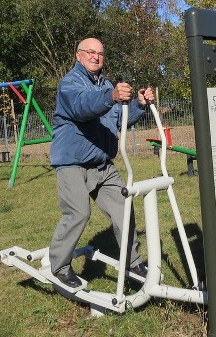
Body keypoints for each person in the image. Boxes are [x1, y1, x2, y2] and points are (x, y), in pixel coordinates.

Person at [48, 37, 155, 289]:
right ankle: (60, 266)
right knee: (78, 213)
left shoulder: (106, 85)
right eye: (90, 52)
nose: (96, 57)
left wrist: (139, 105)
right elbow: (82, 107)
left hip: (102, 164)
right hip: (74, 163)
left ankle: (133, 262)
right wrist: (111, 96)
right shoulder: (70, 84)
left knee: (124, 211)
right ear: (78, 55)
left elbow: (119, 120)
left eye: (100, 53)